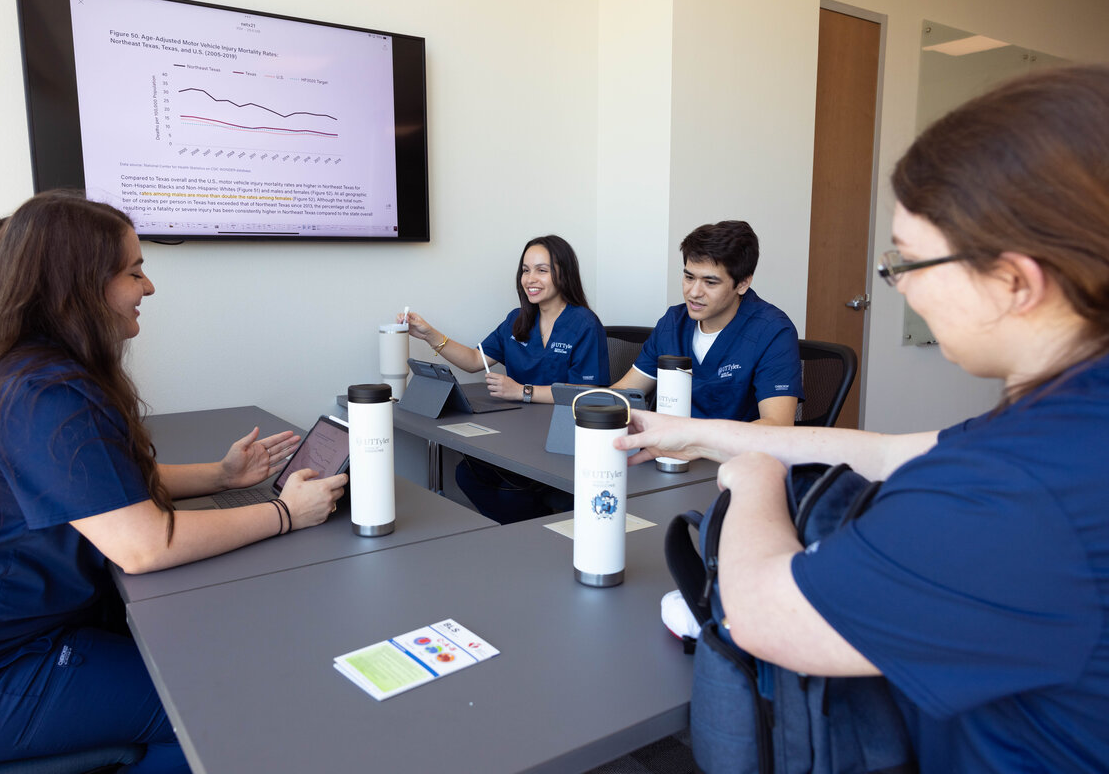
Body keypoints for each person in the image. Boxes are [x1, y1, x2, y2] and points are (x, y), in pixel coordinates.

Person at [617, 65, 1109, 772]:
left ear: (1013, 280)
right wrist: (693, 432)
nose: (899, 285)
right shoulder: (1068, 420)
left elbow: (762, 612)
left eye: (908, 261)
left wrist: (754, 475)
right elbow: (885, 452)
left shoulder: (1019, 494)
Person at [0, 192, 347, 772]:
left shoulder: (11, 370)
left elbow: (96, 488)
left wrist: (221, 475)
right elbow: (142, 544)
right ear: (78, 287)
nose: (149, 287)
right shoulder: (45, 394)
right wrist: (289, 512)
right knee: (226, 711)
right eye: (133, 271)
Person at [402, 235, 609, 522]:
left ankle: (540, 529)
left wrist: (522, 391)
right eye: (525, 270)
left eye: (541, 270)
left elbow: (585, 392)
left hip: (562, 440)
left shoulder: (584, 324)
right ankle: (531, 529)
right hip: (518, 434)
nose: (530, 279)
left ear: (564, 273)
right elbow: (476, 360)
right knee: (468, 473)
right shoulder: (518, 319)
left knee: (508, 488)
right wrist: (430, 335)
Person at [612, 221, 802, 425]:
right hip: (669, 451)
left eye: (710, 282)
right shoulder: (673, 323)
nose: (693, 292)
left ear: (743, 283)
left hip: (735, 453)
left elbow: (777, 424)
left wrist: (697, 440)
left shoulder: (772, 331)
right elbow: (624, 393)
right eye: (689, 277)